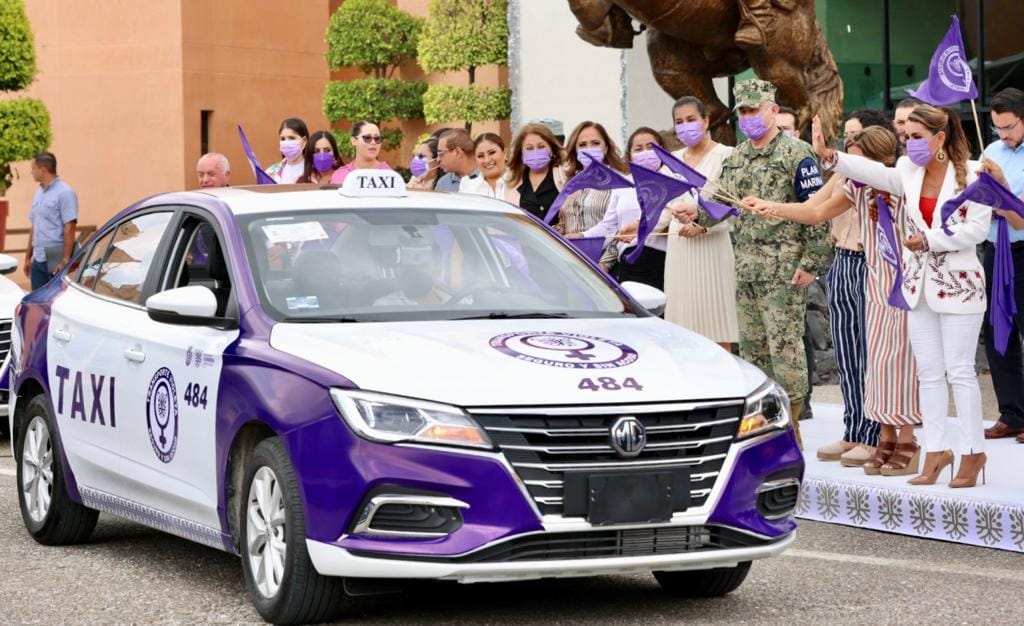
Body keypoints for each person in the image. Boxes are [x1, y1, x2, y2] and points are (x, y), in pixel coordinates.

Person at [815, 104, 991, 488]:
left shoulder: (975, 172)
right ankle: (936, 451)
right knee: (928, 374)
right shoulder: (908, 172)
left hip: (959, 287)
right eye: (906, 137)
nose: (909, 144)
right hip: (917, 289)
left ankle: (972, 452)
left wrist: (929, 240)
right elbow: (873, 172)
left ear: (939, 138)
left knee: (960, 372)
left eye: (917, 137)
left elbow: (977, 230)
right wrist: (831, 157)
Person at [747, 125, 924, 474]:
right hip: (872, 278)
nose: (849, 169)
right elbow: (815, 212)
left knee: (897, 362)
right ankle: (877, 436)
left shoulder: (902, 183)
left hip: (903, 282)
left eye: (856, 162)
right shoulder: (854, 187)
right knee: (866, 359)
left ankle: (904, 439)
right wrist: (771, 207)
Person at [679, 79, 829, 447]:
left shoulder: (796, 154)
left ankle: (792, 427)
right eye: (743, 111)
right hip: (746, 268)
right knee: (753, 350)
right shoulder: (737, 157)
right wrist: (696, 214)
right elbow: (719, 201)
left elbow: (817, 211)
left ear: (773, 110)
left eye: (754, 110)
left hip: (784, 270)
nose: (748, 117)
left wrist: (811, 261)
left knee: (785, 349)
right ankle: (764, 426)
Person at [662, 96, 737, 351]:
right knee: (682, 328)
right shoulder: (672, 160)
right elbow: (663, 206)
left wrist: (704, 225)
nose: (685, 126)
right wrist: (639, 227)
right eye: (679, 122)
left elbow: (733, 207)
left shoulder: (727, 156)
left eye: (691, 119)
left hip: (712, 248)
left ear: (706, 121)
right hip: (679, 249)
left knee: (717, 325)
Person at [976, 88, 1024, 443]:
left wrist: (1002, 195)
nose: (1003, 135)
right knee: (997, 332)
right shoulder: (990, 151)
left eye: (1009, 127)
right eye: (997, 128)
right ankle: (1012, 413)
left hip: (1022, 247)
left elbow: (1020, 214)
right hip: (995, 249)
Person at [574, 127, 669, 288]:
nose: (645, 153)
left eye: (651, 147)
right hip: (628, 262)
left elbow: (671, 217)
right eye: (638, 149)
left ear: (663, 151)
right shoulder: (623, 185)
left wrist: (639, 227)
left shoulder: (674, 180)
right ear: (630, 156)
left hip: (663, 260)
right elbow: (609, 227)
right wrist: (581, 236)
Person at [557, 121, 629, 234]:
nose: (589, 149)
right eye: (582, 145)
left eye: (595, 143)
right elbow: (564, 224)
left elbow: (622, 223)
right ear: (575, 151)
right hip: (570, 244)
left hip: (606, 244)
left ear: (605, 148)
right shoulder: (570, 184)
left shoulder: (620, 182)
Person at [25, 152, 79, 290]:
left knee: (56, 298)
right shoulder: (39, 193)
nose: (31, 172)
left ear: (43, 169)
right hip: (38, 256)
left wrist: (65, 260)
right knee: (38, 299)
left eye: (33, 168)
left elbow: (70, 227)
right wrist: (27, 258)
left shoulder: (65, 193)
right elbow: (34, 226)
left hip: (55, 253)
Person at [505, 123, 566, 220]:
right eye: (529, 148)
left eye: (541, 147)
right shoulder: (513, 181)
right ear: (521, 152)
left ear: (551, 149)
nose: (535, 152)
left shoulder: (564, 176)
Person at [330, 120, 392, 185]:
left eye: (377, 139)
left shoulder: (388, 175)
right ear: (354, 141)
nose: (373, 142)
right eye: (367, 138)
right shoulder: (341, 175)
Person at [461, 133, 515, 202]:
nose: (487, 160)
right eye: (480, 156)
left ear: (504, 153)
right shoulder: (467, 185)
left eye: (492, 152)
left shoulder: (521, 181)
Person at [266, 118, 309, 183]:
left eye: (292, 138)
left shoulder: (314, 171)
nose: (287, 142)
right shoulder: (271, 173)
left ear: (304, 141)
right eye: (283, 139)